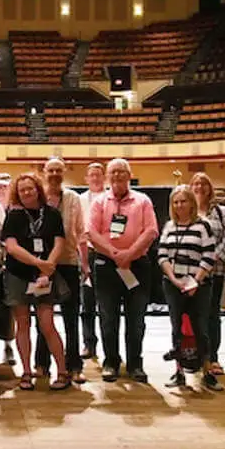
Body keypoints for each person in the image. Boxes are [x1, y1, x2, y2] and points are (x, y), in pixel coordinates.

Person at [88, 158, 159, 383]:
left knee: (136, 319)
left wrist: (129, 254)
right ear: (108, 177)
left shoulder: (143, 201)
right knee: (108, 318)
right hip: (106, 265)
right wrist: (114, 253)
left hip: (137, 266)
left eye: (122, 172)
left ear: (129, 175)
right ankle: (111, 362)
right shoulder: (99, 202)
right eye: (113, 172)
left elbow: (151, 231)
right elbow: (91, 232)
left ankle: (135, 364)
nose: (117, 176)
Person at [1, 173, 70, 392]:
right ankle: (26, 372)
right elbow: (11, 246)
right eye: (22, 190)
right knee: (22, 325)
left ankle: (62, 371)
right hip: (18, 275)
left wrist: (48, 268)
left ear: (37, 189)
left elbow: (59, 243)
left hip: (44, 278)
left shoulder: (51, 214)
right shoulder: (13, 215)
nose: (26, 193)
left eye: (29, 188)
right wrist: (38, 262)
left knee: (47, 324)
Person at [157, 185, 222, 391]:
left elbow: (209, 255)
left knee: (201, 328)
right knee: (177, 329)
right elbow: (162, 255)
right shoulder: (169, 226)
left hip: (199, 286)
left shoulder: (203, 226)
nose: (179, 205)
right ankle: (179, 372)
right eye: (176, 202)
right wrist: (174, 279)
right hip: (173, 285)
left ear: (191, 203)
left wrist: (195, 280)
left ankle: (207, 371)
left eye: (183, 201)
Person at [35, 157, 87, 384]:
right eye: (51, 170)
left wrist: (84, 264)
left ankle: (74, 366)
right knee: (43, 318)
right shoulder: (37, 199)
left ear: (64, 172)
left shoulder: (74, 199)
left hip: (67, 263)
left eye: (58, 170)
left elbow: (81, 233)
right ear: (44, 173)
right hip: (41, 266)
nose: (55, 174)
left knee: (70, 318)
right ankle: (41, 364)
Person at [190, 172, 225, 376]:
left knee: (212, 315)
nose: (199, 187)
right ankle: (195, 357)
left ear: (210, 188)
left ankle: (213, 358)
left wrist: (209, 260)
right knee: (193, 316)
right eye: (196, 184)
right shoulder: (187, 211)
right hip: (192, 273)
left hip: (214, 272)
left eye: (203, 183)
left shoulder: (222, 211)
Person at [79, 162, 107, 359]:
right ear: (86, 178)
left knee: (107, 305)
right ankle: (89, 343)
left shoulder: (111, 199)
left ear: (103, 177)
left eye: (98, 175)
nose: (95, 178)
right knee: (87, 303)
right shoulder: (79, 200)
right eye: (92, 175)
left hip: (106, 253)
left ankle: (109, 348)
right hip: (85, 253)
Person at [0, 171, 16, 365]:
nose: (0, 190)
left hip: (14, 264)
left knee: (11, 309)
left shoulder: (15, 209)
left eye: (4, 186)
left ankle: (9, 346)